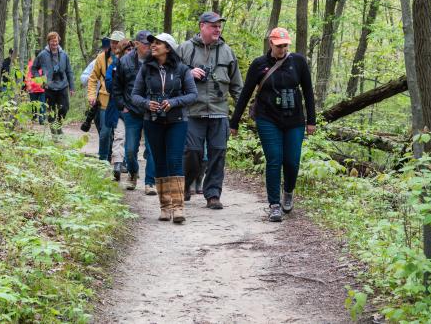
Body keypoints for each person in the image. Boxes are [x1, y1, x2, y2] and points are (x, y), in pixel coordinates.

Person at [229, 27, 316, 222]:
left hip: (294, 119)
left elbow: (308, 91)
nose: (282, 49)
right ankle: (274, 205)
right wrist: (234, 122)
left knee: (292, 161)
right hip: (267, 118)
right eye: (278, 46)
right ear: (270, 43)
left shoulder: (298, 62)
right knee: (274, 159)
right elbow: (245, 94)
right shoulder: (259, 64)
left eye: (285, 46)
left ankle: (288, 192)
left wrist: (311, 120)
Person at [178, 12, 243, 209]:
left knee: (218, 153)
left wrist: (240, 115)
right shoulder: (185, 49)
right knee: (192, 153)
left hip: (219, 111)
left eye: (219, 26)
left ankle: (213, 194)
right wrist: (187, 73)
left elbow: (237, 85)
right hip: (192, 111)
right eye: (213, 26)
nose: (218, 29)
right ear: (202, 26)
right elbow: (170, 77)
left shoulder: (227, 52)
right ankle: (185, 185)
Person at [132, 33, 198, 223]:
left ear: (168, 48)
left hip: (177, 120)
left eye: (158, 43)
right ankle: (165, 207)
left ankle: (178, 208)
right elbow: (135, 95)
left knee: (175, 159)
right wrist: (147, 103)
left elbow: (192, 95)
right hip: (152, 120)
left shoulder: (182, 69)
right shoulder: (146, 69)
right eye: (152, 43)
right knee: (159, 160)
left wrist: (174, 101)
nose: (153, 46)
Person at [112, 30, 156, 194]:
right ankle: (133, 173)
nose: (149, 47)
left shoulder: (157, 61)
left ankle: (150, 182)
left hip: (152, 112)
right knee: (130, 150)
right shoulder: (124, 62)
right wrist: (122, 105)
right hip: (132, 112)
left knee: (153, 150)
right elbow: (117, 87)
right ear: (136, 44)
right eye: (146, 44)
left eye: (151, 44)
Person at [88, 31, 127, 178]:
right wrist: (91, 95)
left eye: (118, 42)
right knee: (105, 133)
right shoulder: (102, 58)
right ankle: (103, 161)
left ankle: (121, 162)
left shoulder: (128, 58)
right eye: (113, 42)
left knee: (122, 134)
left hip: (123, 102)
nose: (115, 45)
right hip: (105, 100)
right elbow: (92, 79)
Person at [32, 32, 75, 135]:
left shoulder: (64, 55)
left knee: (64, 108)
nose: (54, 43)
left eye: (56, 41)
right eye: (52, 41)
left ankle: (58, 126)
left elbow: (69, 71)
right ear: (48, 42)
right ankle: (53, 131)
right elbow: (34, 68)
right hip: (49, 87)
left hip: (62, 86)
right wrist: (40, 80)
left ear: (58, 41)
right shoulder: (42, 55)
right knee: (50, 111)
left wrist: (72, 87)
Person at [25, 49, 46, 124]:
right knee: (42, 103)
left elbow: (27, 76)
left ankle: (35, 117)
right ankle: (41, 118)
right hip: (40, 87)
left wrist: (28, 86)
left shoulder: (30, 64)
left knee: (34, 103)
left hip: (34, 87)